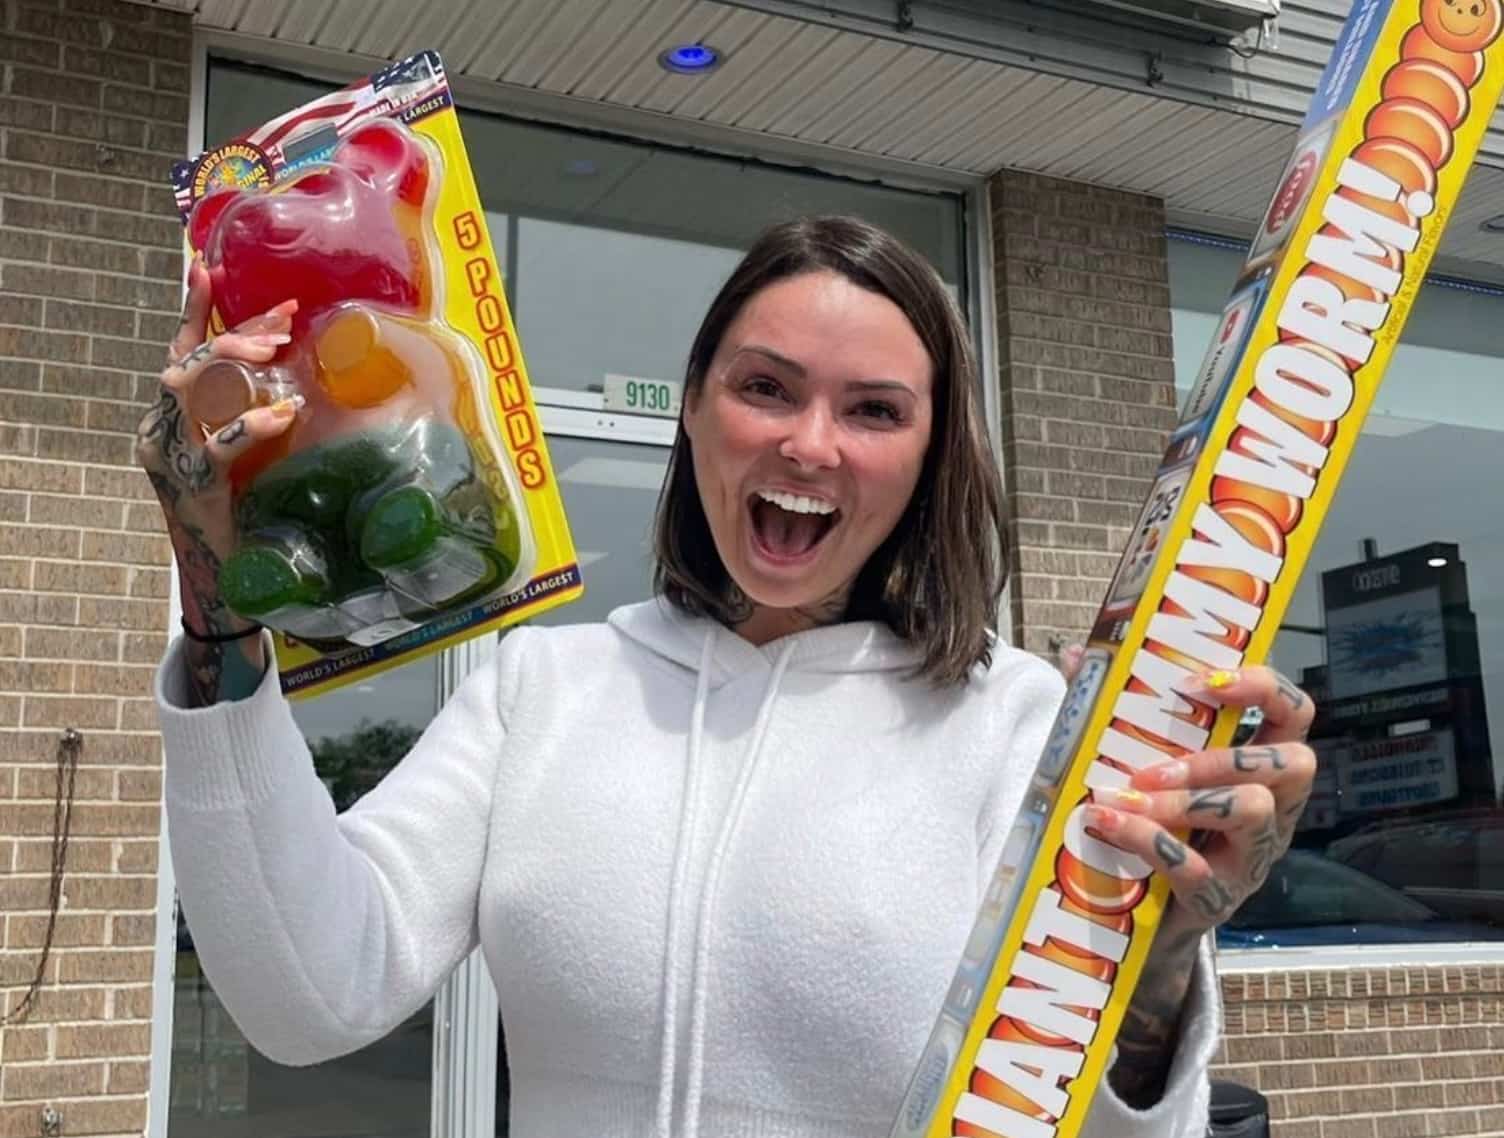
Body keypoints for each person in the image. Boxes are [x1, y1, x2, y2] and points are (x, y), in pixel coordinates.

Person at [141, 216, 1317, 1138]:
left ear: (928, 455)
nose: (809, 444)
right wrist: (215, 599)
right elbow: (306, 991)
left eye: (872, 411)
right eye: (766, 387)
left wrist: (1158, 975)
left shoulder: (1020, 728)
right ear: (696, 406)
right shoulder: (541, 689)